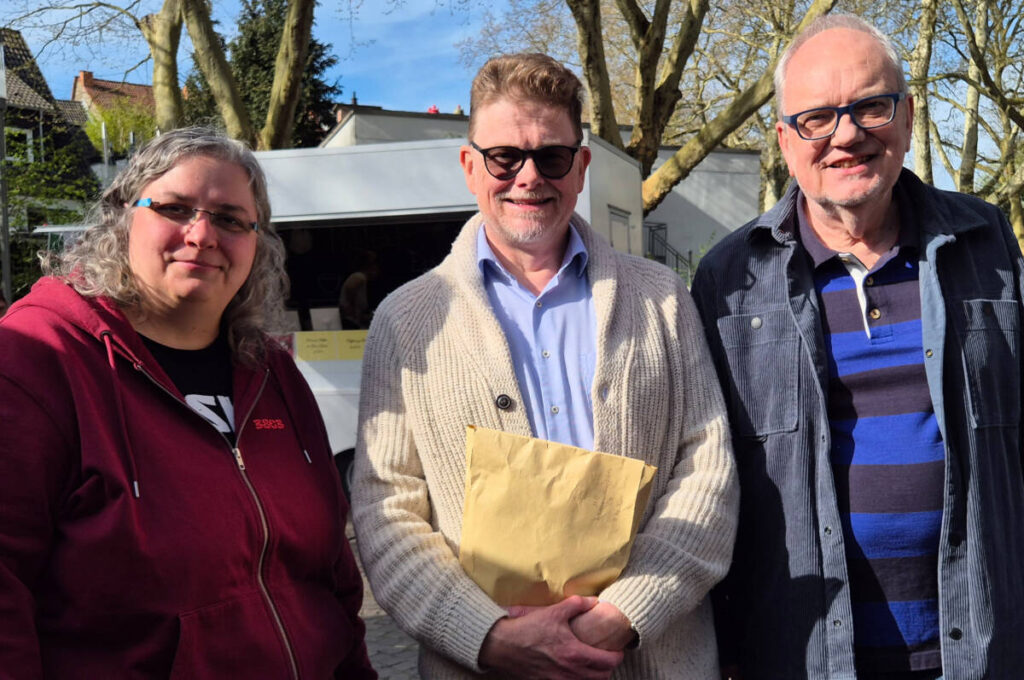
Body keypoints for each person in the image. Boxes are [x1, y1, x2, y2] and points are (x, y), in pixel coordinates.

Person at [351, 53, 738, 680]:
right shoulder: (405, 319)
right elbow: (387, 509)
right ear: (469, 165)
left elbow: (708, 473)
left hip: (655, 659)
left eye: (551, 156)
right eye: (504, 156)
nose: (528, 176)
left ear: (581, 166)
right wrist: (486, 636)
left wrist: (621, 616)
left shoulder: (662, 299)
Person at [691, 14, 1024, 680]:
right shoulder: (731, 279)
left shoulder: (989, 246)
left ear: (905, 117)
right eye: (817, 118)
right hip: (803, 656)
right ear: (786, 141)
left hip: (982, 650)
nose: (847, 134)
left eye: (871, 107)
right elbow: (705, 477)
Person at [0, 128, 376, 679]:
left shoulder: (274, 372)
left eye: (229, 218)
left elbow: (332, 573)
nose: (201, 236)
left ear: (257, 242)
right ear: (124, 218)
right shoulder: (35, 360)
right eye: (175, 208)